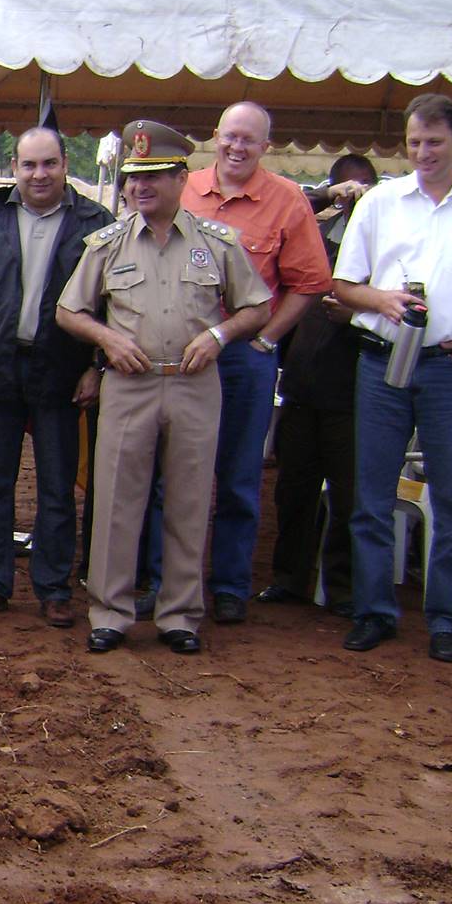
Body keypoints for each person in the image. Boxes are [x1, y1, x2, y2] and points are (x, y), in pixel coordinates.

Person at [56, 120, 270, 654]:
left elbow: (257, 306)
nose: (138, 187)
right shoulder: (107, 244)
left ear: (181, 178)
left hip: (194, 383)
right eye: (132, 177)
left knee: (190, 500)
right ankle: (110, 612)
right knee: (115, 502)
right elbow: (68, 309)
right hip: (130, 385)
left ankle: (180, 615)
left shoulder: (216, 243)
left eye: (152, 177)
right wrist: (107, 338)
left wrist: (220, 336)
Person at [332, 92, 452, 662]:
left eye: (434, 142)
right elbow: (343, 286)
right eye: (414, 143)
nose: (423, 153)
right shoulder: (382, 202)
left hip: (451, 365)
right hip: (382, 360)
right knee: (371, 493)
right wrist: (382, 300)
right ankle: (373, 610)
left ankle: (447, 619)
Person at [173, 101, 333, 624]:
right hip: (181, 353)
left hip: (245, 357)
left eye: (250, 140)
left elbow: (311, 282)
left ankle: (229, 587)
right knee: (173, 474)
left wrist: (267, 340)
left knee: (238, 476)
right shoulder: (183, 189)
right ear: (214, 136)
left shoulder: (286, 201)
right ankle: (168, 581)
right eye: (230, 136)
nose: (237, 147)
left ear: (266, 146)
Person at [0, 126, 114, 624]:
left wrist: (96, 367)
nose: (39, 174)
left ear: (66, 164)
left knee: (57, 484)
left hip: (62, 370)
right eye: (29, 165)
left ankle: (53, 586)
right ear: (15, 168)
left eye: (49, 164)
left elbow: (111, 305)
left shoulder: (96, 223)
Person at [257, 153, 379, 614]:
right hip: (303, 384)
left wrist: (358, 313)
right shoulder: (316, 236)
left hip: (353, 386)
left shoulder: (381, 243)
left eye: (364, 187)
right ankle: (289, 577)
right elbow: (286, 207)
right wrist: (327, 195)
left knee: (348, 494)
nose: (356, 196)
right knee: (293, 489)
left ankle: (342, 588)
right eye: (347, 188)